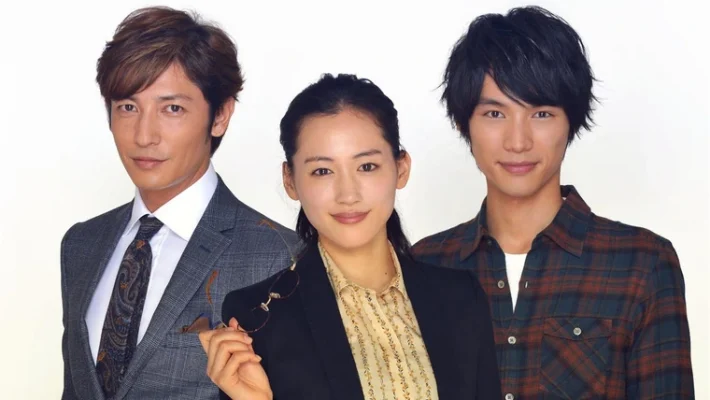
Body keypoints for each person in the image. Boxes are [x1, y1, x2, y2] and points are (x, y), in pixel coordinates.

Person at [412, 5, 695, 400]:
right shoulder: (423, 265)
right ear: (464, 124)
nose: (518, 142)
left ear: (570, 122)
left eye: (541, 113)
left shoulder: (643, 265)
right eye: (494, 113)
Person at [198, 73, 502, 400]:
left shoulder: (462, 299)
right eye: (322, 171)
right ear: (290, 180)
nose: (348, 194)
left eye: (367, 166)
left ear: (401, 168)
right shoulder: (257, 316)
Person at [59, 7, 297, 400]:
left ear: (220, 116)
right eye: (128, 107)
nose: (144, 135)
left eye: (172, 108)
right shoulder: (81, 245)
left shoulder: (278, 255)